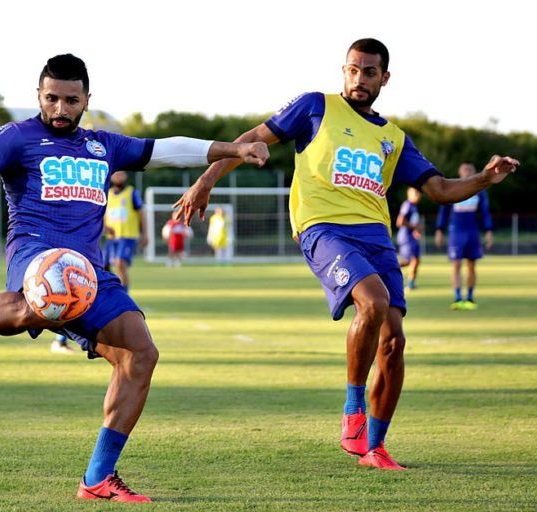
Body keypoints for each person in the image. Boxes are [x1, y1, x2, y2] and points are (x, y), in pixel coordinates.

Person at [0, 54, 268, 502]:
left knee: (140, 354)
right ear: (39, 97)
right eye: (52, 99)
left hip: (89, 271)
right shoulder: (16, 137)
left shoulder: (103, 145)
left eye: (71, 99)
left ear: (87, 99)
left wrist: (233, 149)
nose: (61, 108)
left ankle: (98, 478)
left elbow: (164, 149)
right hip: (34, 255)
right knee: (37, 306)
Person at [173, 38, 519, 471]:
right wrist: (207, 180)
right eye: (352, 70)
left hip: (377, 237)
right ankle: (353, 411)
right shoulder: (314, 107)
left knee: (394, 342)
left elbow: (441, 189)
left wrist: (487, 178)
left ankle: (374, 448)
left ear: (384, 78)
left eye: (369, 72)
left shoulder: (394, 138)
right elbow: (250, 140)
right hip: (323, 228)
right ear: (344, 70)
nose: (358, 79)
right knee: (371, 302)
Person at [435, 162, 493, 310]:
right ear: (460, 172)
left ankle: (470, 297)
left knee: (472, 265)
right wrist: (439, 230)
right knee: (456, 264)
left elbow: (485, 212)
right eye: (464, 169)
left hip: (472, 231)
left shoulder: (480, 191)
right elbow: (444, 210)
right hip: (456, 231)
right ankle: (457, 297)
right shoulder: (453, 188)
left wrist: (488, 231)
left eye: (470, 169)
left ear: (474, 172)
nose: (467, 171)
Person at [103, 170, 147, 291]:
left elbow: (142, 214)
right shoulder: (108, 194)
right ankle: (110, 293)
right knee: (103, 266)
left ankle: (124, 295)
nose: (118, 177)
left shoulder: (132, 193)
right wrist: (105, 227)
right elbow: (102, 215)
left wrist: (145, 234)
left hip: (127, 236)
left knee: (120, 264)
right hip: (111, 237)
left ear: (126, 176)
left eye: (121, 174)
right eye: (115, 174)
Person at [395, 188, 422, 290]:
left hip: (411, 237)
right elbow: (400, 221)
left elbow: (412, 222)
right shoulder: (407, 205)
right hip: (406, 237)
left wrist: (416, 230)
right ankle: (388, 270)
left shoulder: (414, 207)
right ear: (409, 195)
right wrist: (414, 227)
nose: (418, 195)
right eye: (415, 193)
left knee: (415, 260)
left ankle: (411, 283)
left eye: (419, 193)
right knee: (409, 260)